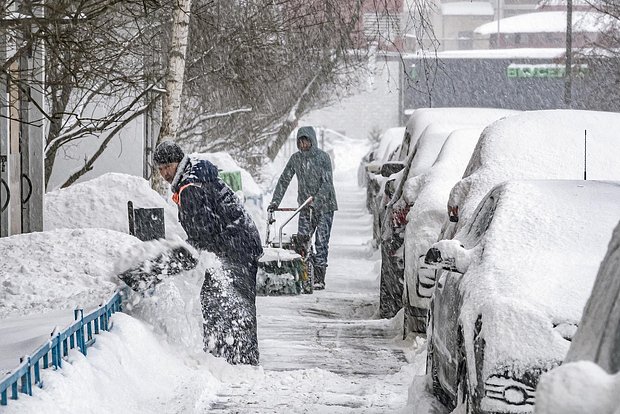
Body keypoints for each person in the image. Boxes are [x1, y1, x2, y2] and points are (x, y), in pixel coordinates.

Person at [153, 140, 263, 365]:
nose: (164, 173)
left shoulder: (190, 187)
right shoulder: (192, 176)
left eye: (168, 167)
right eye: (160, 169)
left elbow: (204, 234)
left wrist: (170, 262)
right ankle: (230, 357)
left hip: (235, 248)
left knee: (226, 303)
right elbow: (204, 231)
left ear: (178, 163)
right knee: (221, 301)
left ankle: (235, 360)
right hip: (238, 243)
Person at [268, 126, 337, 290]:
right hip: (305, 207)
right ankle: (303, 272)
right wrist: (275, 202)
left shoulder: (323, 158)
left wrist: (316, 200)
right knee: (302, 240)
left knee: (321, 241)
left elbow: (327, 183)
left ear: (312, 141)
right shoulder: (296, 159)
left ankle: (319, 278)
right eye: (300, 142)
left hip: (325, 206)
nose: (303, 144)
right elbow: (284, 180)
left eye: (306, 141)